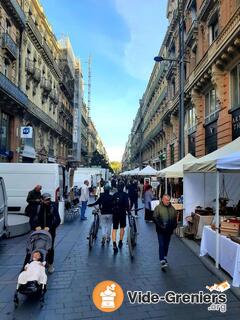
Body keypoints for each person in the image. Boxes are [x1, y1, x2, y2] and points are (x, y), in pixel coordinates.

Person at [29, 193, 61, 273]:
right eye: (46, 199)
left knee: (50, 247)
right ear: (42, 200)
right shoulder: (37, 207)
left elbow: (57, 219)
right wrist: (35, 226)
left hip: (50, 232)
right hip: (38, 231)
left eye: (49, 199)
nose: (48, 201)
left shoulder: (53, 207)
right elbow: (32, 219)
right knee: (36, 247)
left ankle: (50, 264)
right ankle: (35, 263)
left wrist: (50, 227)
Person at [153, 194, 178, 269]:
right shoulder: (158, 208)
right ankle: (162, 260)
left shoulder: (172, 208)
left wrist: (174, 225)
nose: (167, 201)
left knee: (166, 245)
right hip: (161, 230)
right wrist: (161, 226)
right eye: (166, 200)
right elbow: (155, 218)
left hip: (169, 230)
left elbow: (175, 217)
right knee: (161, 244)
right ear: (162, 200)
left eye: (168, 200)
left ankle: (164, 257)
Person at [112, 181, 130, 253]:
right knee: (122, 228)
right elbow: (127, 205)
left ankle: (114, 242)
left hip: (115, 213)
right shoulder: (125, 195)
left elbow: (112, 203)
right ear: (123, 187)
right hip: (122, 213)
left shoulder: (115, 194)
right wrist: (128, 211)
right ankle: (120, 241)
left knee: (114, 228)